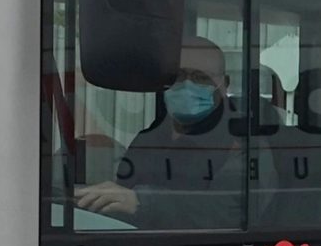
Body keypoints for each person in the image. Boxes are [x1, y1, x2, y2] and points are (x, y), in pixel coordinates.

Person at [75, 37, 252, 229]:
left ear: (224, 84)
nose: (186, 85)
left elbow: (228, 211)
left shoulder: (246, 144)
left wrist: (142, 203)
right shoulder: (147, 140)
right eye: (177, 76)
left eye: (200, 77)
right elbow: (120, 203)